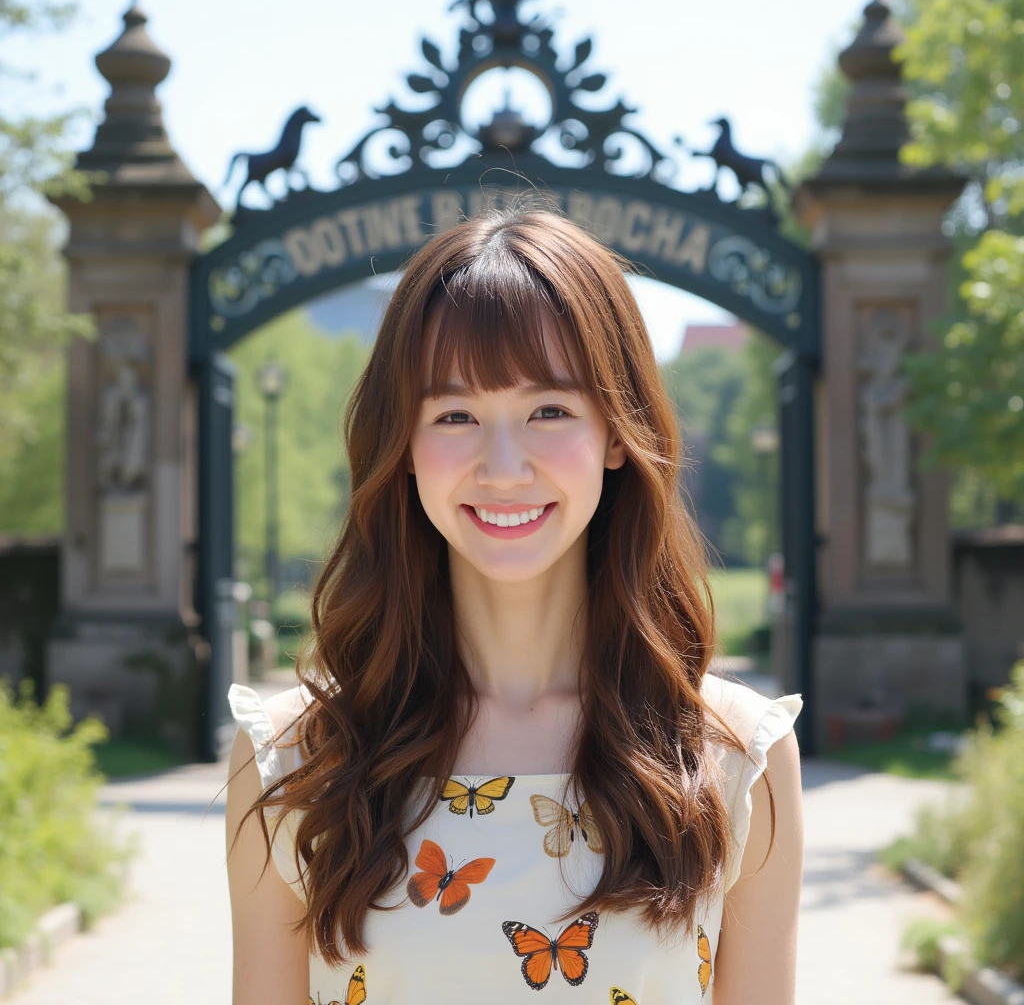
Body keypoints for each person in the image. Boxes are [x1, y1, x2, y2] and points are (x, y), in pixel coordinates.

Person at [224, 207, 804, 1005]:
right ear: (404, 447)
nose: (503, 467)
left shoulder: (734, 755)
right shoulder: (295, 760)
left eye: (549, 411)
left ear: (615, 432)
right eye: (455, 415)